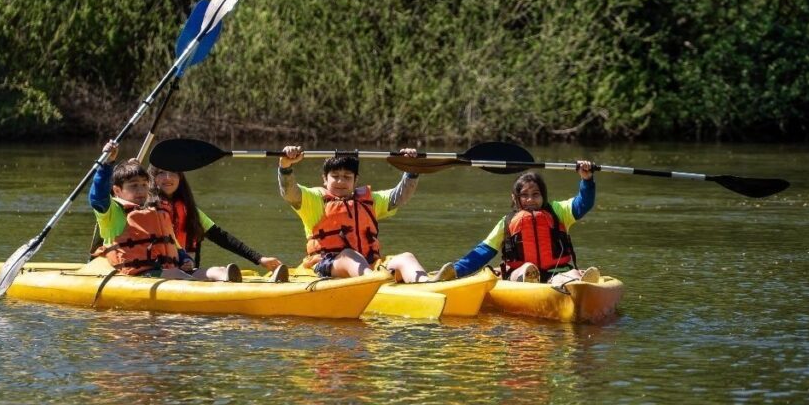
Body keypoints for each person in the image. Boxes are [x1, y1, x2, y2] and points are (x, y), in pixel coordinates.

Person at [277, 145, 452, 283]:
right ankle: (373, 282)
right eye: (335, 176)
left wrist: (411, 169)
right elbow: (289, 192)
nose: (340, 181)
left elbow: (399, 197)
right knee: (349, 256)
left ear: (355, 180)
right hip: (326, 265)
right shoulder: (314, 200)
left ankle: (427, 284)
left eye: (347, 177)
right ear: (325, 178)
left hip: (369, 265)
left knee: (406, 257)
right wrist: (285, 166)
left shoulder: (369, 201)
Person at [88, 140, 241, 282]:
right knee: (176, 274)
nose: (140, 190)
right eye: (133, 186)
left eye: (144, 185)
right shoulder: (112, 212)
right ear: (117, 190)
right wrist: (107, 164)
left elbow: (173, 245)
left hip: (167, 271)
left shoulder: (156, 212)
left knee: (215, 271)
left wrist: (184, 259)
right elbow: (98, 196)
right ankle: (202, 289)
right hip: (139, 274)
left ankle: (224, 277)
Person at [448, 162, 601, 286]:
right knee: (524, 271)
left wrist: (586, 180)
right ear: (515, 198)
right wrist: (456, 271)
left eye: (535, 194)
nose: (530, 200)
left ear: (543, 196)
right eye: (524, 195)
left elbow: (584, 203)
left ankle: (578, 284)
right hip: (520, 274)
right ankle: (541, 280)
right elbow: (482, 252)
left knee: (571, 273)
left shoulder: (559, 211)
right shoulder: (507, 222)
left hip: (557, 271)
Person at [148, 165, 289, 282]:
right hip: (158, 273)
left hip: (188, 271)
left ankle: (253, 284)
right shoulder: (143, 209)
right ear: (151, 178)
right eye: (161, 173)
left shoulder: (190, 211)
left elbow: (222, 238)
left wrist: (259, 259)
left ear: (180, 178)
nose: (168, 177)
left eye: (173, 172)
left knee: (219, 271)